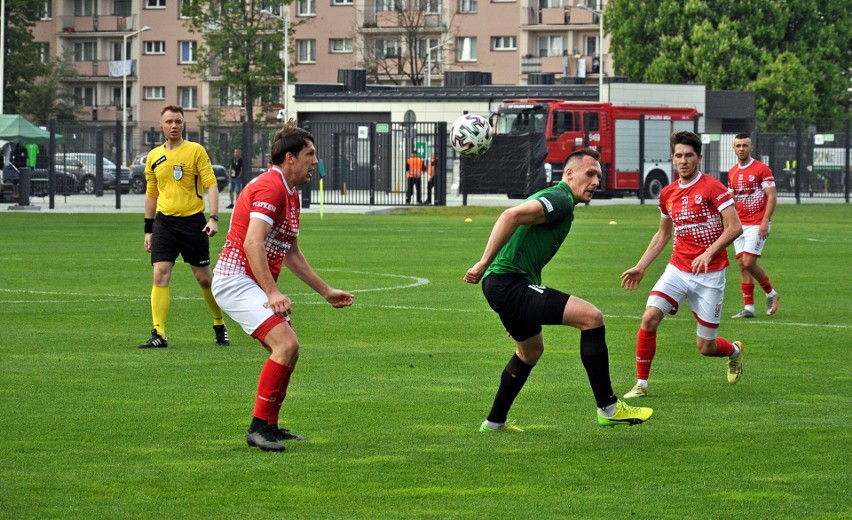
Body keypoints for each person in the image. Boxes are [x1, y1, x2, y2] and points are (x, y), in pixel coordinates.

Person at [464, 148, 653, 430]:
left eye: (598, 176)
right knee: (592, 318)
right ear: (569, 173)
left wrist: (517, 309)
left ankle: (494, 422)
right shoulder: (560, 197)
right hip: (507, 283)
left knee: (530, 352)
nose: (595, 181)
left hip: (508, 286)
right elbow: (510, 216)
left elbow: (525, 243)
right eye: (589, 174)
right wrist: (482, 263)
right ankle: (609, 408)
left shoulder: (564, 204)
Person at [211, 121, 354, 452]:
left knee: (289, 349)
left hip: (249, 281)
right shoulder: (271, 187)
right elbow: (252, 242)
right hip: (235, 279)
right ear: (290, 157)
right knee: (286, 345)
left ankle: (270, 425)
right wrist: (272, 292)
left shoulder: (290, 193)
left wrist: (326, 290)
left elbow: (291, 252)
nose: (315, 161)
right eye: (310, 154)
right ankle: (258, 428)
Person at [621, 131, 744, 399]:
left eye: (689, 155)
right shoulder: (668, 193)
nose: (684, 160)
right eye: (679, 155)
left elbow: (734, 227)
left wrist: (709, 253)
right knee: (650, 317)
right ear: (673, 159)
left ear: (699, 158)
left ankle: (734, 351)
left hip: (710, 275)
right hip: (677, 269)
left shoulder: (714, 188)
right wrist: (641, 266)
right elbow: (663, 233)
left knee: (705, 347)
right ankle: (641, 384)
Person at [138, 105, 229, 349]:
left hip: (193, 223)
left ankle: (219, 323)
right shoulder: (154, 156)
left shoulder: (196, 151)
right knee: (160, 273)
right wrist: (149, 229)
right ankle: (159, 333)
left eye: (178, 121)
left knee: (204, 279)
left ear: (184, 124)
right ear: (161, 125)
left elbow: (211, 185)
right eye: (169, 121)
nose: (174, 125)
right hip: (164, 223)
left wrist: (213, 217)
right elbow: (151, 193)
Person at [728, 133, 780, 318]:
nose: (741, 148)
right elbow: (731, 200)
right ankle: (749, 308)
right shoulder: (732, 172)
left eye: (745, 145)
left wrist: (766, 220)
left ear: (751, 148)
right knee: (742, 265)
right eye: (738, 145)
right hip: (739, 225)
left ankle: (771, 293)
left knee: (749, 261)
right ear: (734, 148)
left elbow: (772, 196)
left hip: (758, 222)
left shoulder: (761, 169)